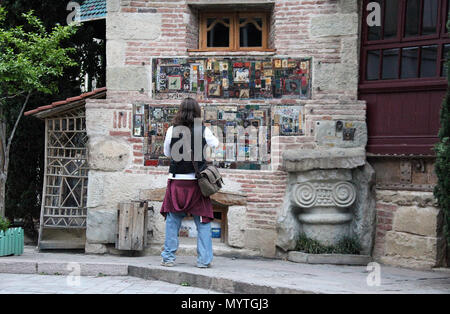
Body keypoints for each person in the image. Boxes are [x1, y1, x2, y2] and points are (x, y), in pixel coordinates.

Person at [160, 98, 219, 268]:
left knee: (172, 221)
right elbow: (215, 144)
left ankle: (168, 258)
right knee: (203, 222)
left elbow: (166, 152)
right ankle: (204, 260)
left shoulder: (172, 129)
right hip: (196, 183)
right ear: (197, 111)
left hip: (176, 182)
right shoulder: (203, 130)